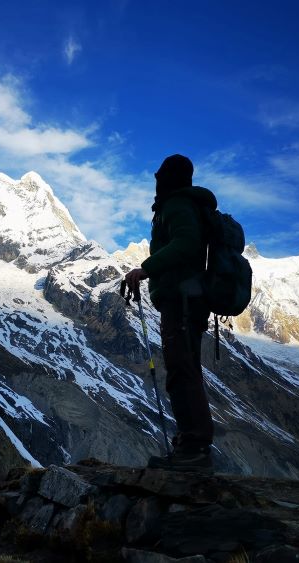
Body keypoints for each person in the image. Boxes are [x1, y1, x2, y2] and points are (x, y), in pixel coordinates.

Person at [125, 154, 216, 472]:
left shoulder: (177, 206)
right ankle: (193, 444)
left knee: (181, 369)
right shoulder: (185, 204)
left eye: (161, 175)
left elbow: (187, 244)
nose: (157, 180)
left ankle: (193, 446)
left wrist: (146, 269)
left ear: (168, 178)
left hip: (182, 300)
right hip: (188, 300)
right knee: (186, 367)